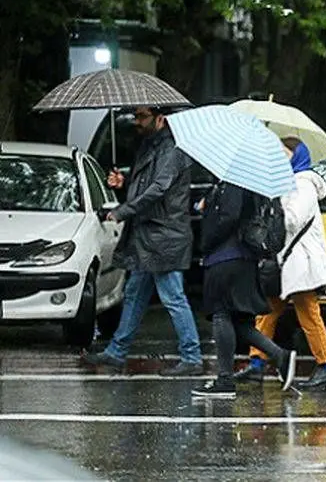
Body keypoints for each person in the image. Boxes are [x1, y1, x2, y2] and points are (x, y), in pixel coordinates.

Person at [82, 105, 203, 376]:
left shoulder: (171, 149)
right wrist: (123, 182)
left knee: (173, 296)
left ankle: (192, 356)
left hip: (163, 236)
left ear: (160, 118)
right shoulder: (152, 146)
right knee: (135, 293)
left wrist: (122, 210)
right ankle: (116, 351)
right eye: (136, 116)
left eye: (142, 116)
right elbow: (149, 188)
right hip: (150, 236)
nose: (137, 121)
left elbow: (158, 190)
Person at [235, 138, 326, 389]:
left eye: (285, 154)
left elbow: (291, 221)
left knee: (309, 315)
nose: (280, 158)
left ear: (298, 156)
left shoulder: (304, 185)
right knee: (266, 312)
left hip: (301, 262)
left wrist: (273, 202)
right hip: (285, 263)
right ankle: (256, 363)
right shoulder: (287, 184)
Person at [191, 181, 297, 399]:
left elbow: (228, 217)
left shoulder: (235, 182)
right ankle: (281, 356)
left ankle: (225, 380)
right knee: (239, 321)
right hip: (241, 258)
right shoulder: (247, 181)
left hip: (226, 257)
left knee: (221, 313)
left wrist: (207, 238)